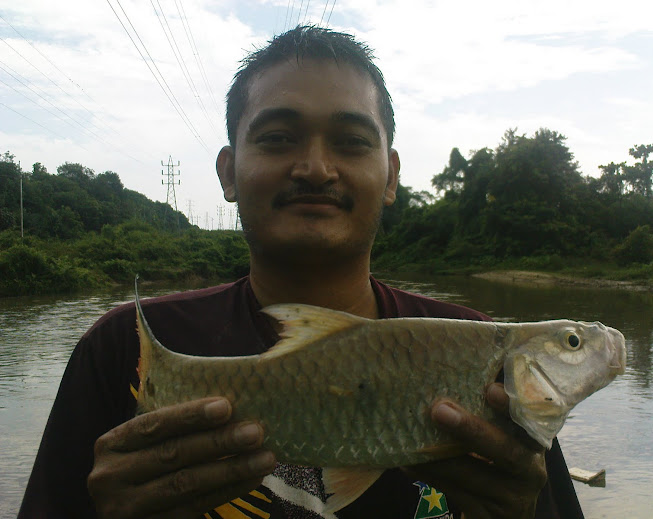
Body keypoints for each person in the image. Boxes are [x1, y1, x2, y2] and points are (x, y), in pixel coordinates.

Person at [19, 25, 583, 519]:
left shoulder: (484, 356)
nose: (316, 168)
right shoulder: (123, 350)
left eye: (352, 142)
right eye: (277, 138)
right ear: (229, 171)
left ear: (390, 176)